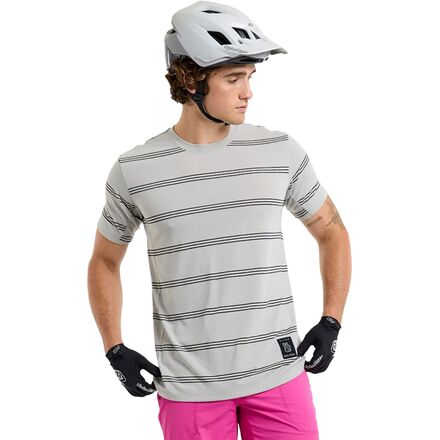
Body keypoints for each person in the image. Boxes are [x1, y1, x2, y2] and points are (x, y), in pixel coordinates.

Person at [87, 1, 352, 439]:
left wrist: (331, 321)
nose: (248, 92)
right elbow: (104, 260)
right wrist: (114, 347)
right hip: (189, 390)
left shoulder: (279, 152)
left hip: (280, 376)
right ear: (191, 79)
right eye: (233, 79)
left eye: (250, 77)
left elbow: (331, 230)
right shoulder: (135, 169)